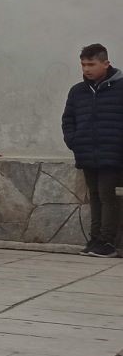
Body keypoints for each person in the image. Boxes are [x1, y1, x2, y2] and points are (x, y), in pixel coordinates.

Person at [63, 44, 123, 257]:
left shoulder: (120, 87)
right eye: (83, 64)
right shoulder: (78, 91)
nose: (86, 69)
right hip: (87, 153)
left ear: (106, 63)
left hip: (113, 155)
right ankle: (95, 238)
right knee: (95, 196)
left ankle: (107, 242)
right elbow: (68, 119)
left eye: (91, 64)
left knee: (108, 196)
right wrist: (74, 141)